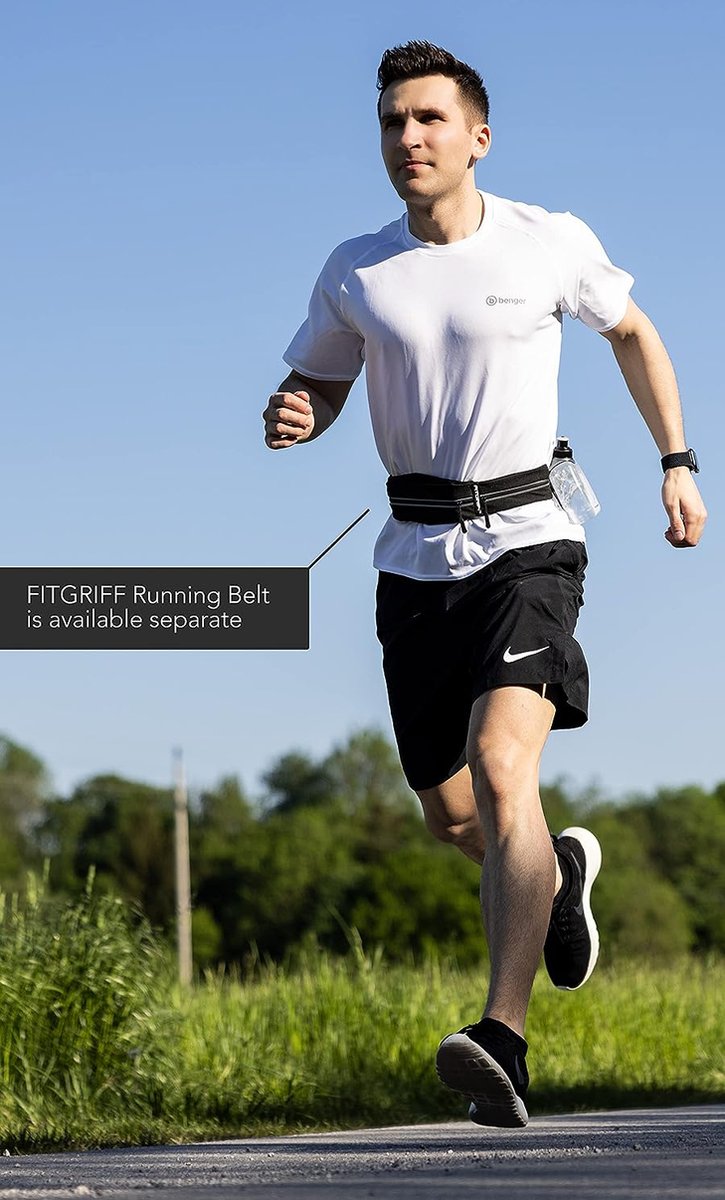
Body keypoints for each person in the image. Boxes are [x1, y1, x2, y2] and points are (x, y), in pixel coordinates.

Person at [262, 40, 707, 1127]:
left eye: (425, 120)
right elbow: (318, 377)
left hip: (529, 540)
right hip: (411, 560)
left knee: (504, 766)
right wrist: (295, 414)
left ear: (476, 137)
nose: (405, 140)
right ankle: (551, 872)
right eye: (389, 123)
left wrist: (676, 463)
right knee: (452, 814)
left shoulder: (545, 241)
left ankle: (499, 1038)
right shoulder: (355, 268)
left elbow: (634, 332)